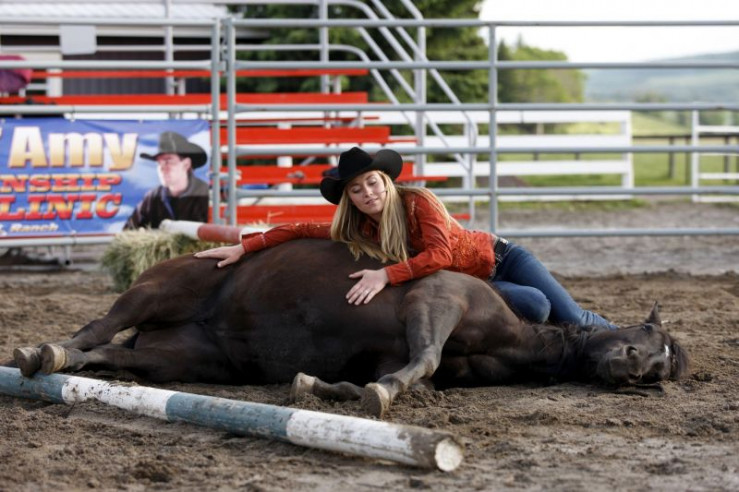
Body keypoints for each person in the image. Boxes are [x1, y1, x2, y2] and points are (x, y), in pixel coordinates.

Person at [195, 147, 616, 329]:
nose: (367, 193)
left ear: (386, 181)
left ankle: (626, 334)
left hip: (501, 259)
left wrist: (386, 275)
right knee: (537, 307)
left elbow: (440, 254)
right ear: (350, 199)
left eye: (372, 182)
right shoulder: (359, 228)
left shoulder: (418, 202)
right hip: (471, 286)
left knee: (572, 317)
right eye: (356, 190)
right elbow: (300, 229)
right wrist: (244, 246)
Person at [124, 131, 209, 229]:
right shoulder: (153, 196)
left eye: (168, 161)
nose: (162, 168)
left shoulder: (205, 195)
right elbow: (130, 229)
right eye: (159, 163)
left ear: (186, 164)